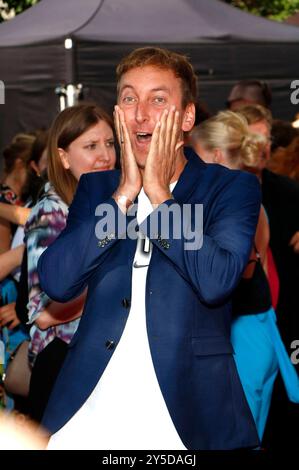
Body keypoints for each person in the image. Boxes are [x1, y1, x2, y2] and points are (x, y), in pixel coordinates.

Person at [38, 47, 261, 450]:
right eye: (128, 98)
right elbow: (58, 281)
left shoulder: (229, 188)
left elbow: (216, 281)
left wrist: (159, 196)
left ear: (187, 117)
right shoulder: (98, 190)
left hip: (186, 409)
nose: (140, 113)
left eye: (158, 99)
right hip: (91, 407)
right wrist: (124, 195)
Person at [191, 110, 299, 440]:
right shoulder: (244, 196)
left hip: (244, 336)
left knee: (237, 437)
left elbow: (241, 273)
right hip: (255, 331)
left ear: (215, 155)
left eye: (193, 156)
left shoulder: (233, 203)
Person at [23, 103, 116, 423]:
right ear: (63, 157)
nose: (104, 155)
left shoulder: (115, 205)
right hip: (62, 359)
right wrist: (117, 280)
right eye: (91, 146)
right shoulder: (53, 211)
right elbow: (47, 312)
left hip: (103, 358)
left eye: (110, 143)